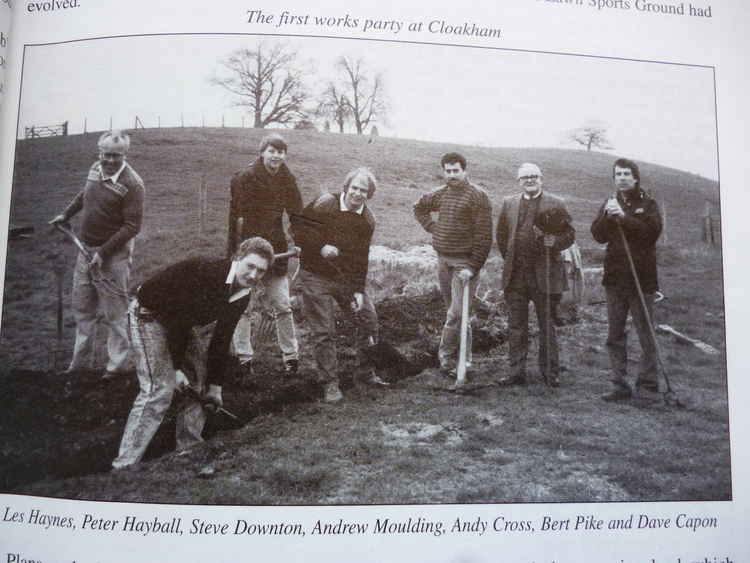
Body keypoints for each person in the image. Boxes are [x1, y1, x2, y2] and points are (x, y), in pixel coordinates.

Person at [112, 237, 274, 469]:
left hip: (183, 324)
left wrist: (216, 386)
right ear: (237, 258)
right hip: (150, 315)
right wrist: (176, 368)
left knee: (199, 383)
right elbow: (179, 317)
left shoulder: (242, 294)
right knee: (159, 389)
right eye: (250, 266)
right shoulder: (210, 273)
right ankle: (125, 465)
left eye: (260, 271)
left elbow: (221, 339)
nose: (253, 275)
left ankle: (188, 449)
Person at [49, 130, 144, 380]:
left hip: (114, 256)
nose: (111, 160)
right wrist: (66, 214)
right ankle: (80, 367)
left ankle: (117, 366)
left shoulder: (132, 184)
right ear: (99, 152)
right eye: (106, 154)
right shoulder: (95, 169)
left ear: (125, 154)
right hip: (86, 249)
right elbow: (85, 194)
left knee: (115, 313)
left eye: (117, 155)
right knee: (82, 309)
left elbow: (133, 226)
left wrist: (103, 253)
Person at [291, 167, 385, 403]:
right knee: (324, 331)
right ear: (346, 187)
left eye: (363, 190)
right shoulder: (324, 204)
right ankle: (330, 383)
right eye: (354, 188)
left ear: (369, 194)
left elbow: (361, 258)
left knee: (368, 319)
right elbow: (298, 229)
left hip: (344, 278)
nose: (357, 194)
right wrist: (320, 246)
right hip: (315, 275)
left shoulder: (367, 220)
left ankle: (364, 372)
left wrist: (358, 290)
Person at [227, 133, 302, 375]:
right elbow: (236, 219)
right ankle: (243, 357)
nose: (276, 156)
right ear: (262, 152)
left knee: (282, 304)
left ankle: (291, 357)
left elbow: (297, 213)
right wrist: (236, 253)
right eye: (272, 151)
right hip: (249, 249)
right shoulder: (245, 178)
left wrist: (301, 241)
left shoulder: (287, 178)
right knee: (242, 306)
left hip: (277, 248)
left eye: (281, 152)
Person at [413, 152, 493, 378]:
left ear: (464, 171)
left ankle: (447, 360)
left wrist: (472, 266)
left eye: (456, 170)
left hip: (464, 264)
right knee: (457, 313)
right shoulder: (440, 194)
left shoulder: (478, 197)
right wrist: (432, 227)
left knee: (456, 315)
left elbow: (484, 236)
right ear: (443, 172)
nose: (452, 175)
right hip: (443, 261)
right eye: (447, 171)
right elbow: (418, 208)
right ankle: (464, 359)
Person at [496, 163, 574, 387]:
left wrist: (555, 242)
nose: (529, 180)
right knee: (516, 326)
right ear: (518, 181)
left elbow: (570, 234)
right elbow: (501, 236)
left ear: (541, 179)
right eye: (525, 178)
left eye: (533, 176)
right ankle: (516, 373)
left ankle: (550, 373)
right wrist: (511, 258)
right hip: (516, 275)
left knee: (546, 325)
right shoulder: (509, 203)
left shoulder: (556, 203)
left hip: (546, 274)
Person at [591, 158, 663, 402]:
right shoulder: (609, 203)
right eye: (617, 174)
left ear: (635, 177)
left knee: (646, 335)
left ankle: (648, 387)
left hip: (642, 279)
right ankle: (619, 385)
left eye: (626, 174)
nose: (621, 177)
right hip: (615, 279)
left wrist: (623, 217)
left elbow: (651, 234)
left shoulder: (649, 204)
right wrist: (607, 217)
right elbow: (598, 236)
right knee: (615, 335)